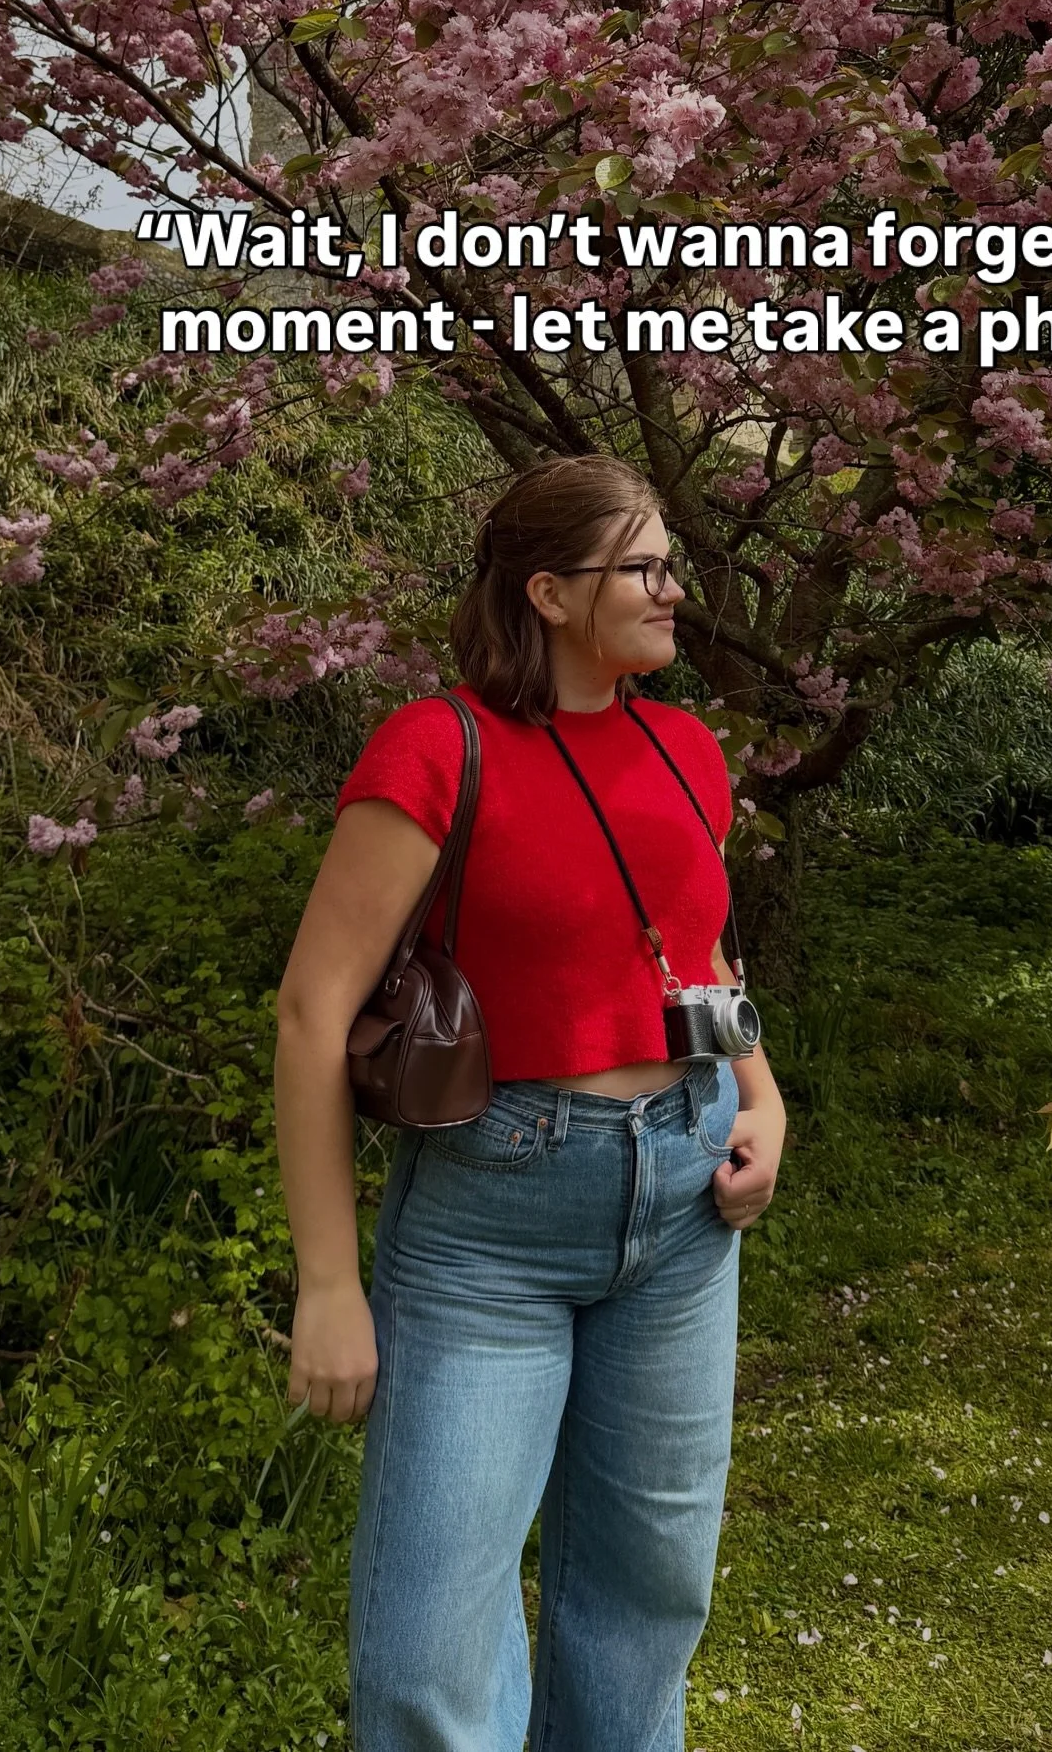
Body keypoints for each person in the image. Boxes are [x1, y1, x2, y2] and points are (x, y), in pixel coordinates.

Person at [273, 453, 788, 1752]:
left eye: (675, 561)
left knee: (643, 1606)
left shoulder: (686, 751)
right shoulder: (436, 748)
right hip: (485, 1229)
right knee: (431, 1653)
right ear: (549, 591)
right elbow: (311, 1012)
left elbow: (702, 955)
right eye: (645, 566)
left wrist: (761, 1099)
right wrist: (330, 1282)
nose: (677, 587)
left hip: (681, 1212)